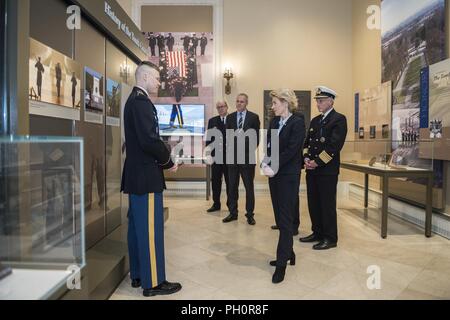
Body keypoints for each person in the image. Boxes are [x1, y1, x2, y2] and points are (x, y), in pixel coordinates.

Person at [121, 61, 182, 297]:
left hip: (137, 175)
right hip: (146, 176)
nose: (159, 82)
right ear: (145, 77)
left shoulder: (133, 101)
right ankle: (154, 282)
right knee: (150, 231)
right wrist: (168, 161)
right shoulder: (142, 102)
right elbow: (149, 140)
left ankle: (138, 275)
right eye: (156, 78)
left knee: (137, 229)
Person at [262, 89, 305, 284]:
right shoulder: (273, 122)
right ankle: (290, 253)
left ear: (286, 103)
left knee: (286, 219)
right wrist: (265, 161)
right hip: (274, 176)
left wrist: (275, 166)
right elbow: (270, 146)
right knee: (280, 217)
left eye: (275, 103)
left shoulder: (297, 122)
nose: (272, 107)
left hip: (288, 176)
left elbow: (292, 150)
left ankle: (281, 264)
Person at [300, 86, 347, 250]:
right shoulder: (315, 120)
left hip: (326, 171)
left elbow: (334, 147)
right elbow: (306, 143)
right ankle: (317, 232)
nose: (318, 104)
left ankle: (330, 237)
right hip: (312, 170)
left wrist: (317, 162)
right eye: (317, 101)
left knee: (326, 205)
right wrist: (306, 158)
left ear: (330, 101)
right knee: (313, 203)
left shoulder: (339, 119)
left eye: (321, 101)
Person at [224, 93, 260, 225]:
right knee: (232, 187)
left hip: (247, 159)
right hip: (232, 159)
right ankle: (233, 213)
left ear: (246, 103)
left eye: (242, 102)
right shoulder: (230, 117)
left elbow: (256, 138)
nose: (239, 103)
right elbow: (228, 137)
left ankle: (250, 214)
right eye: (237, 101)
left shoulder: (254, 117)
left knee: (249, 188)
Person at [206, 101, 230, 213]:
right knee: (215, 181)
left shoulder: (232, 119)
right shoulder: (212, 121)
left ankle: (231, 205)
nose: (220, 109)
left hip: (230, 158)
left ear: (227, 107)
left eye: (222, 106)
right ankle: (216, 204)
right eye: (218, 107)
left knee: (230, 182)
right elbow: (208, 140)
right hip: (216, 157)